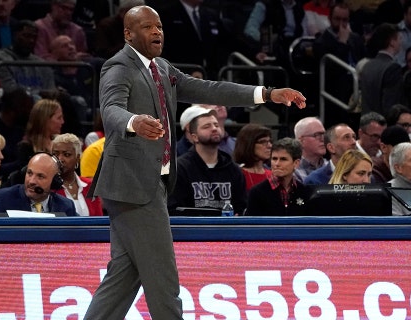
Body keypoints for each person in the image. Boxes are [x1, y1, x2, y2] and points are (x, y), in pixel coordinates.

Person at [83, 5, 307, 319]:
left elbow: (210, 89)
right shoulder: (118, 66)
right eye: (147, 27)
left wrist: (267, 93)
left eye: (159, 26)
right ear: (128, 34)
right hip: (134, 183)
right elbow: (111, 108)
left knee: (124, 273)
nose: (157, 32)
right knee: (162, 274)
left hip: (150, 183)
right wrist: (134, 121)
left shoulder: (161, 67)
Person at [168, 111, 247, 215]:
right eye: (206, 126)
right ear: (194, 137)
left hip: (226, 229)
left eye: (216, 125)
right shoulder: (180, 168)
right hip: (192, 229)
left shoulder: (234, 169)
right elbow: (175, 208)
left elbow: (241, 207)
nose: (214, 128)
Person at [0, 152, 76, 216]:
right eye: (29, 173)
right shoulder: (1, 199)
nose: (32, 181)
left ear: (54, 182)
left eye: (40, 176)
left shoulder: (66, 206)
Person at [0, 20, 56, 95]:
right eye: (26, 36)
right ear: (14, 36)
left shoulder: (42, 65)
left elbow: (50, 92)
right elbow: (10, 91)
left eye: (34, 37)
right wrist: (40, 93)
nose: (31, 40)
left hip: (42, 105)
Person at [245, 137, 310, 216]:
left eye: (283, 159)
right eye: (274, 159)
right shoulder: (257, 192)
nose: (277, 164)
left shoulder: (304, 191)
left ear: (296, 163)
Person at [51, 133, 103, 216]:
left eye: (66, 154)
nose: (60, 159)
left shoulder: (90, 186)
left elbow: (99, 222)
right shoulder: (49, 187)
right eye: (55, 154)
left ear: (77, 158)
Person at [359, 23, 403, 115]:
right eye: (399, 39)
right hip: (383, 124)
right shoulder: (393, 68)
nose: (401, 42)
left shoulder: (367, 65)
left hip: (366, 123)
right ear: (392, 42)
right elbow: (391, 106)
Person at [15, 98, 65, 170]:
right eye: (59, 118)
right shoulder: (26, 147)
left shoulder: (61, 143)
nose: (62, 122)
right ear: (45, 120)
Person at [233, 123, 273, 191]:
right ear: (249, 144)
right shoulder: (237, 176)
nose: (270, 146)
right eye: (263, 142)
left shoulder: (273, 176)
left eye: (269, 141)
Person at [293, 117, 327, 182]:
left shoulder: (333, 168)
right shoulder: (292, 171)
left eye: (323, 134)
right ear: (301, 141)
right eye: (317, 135)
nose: (322, 139)